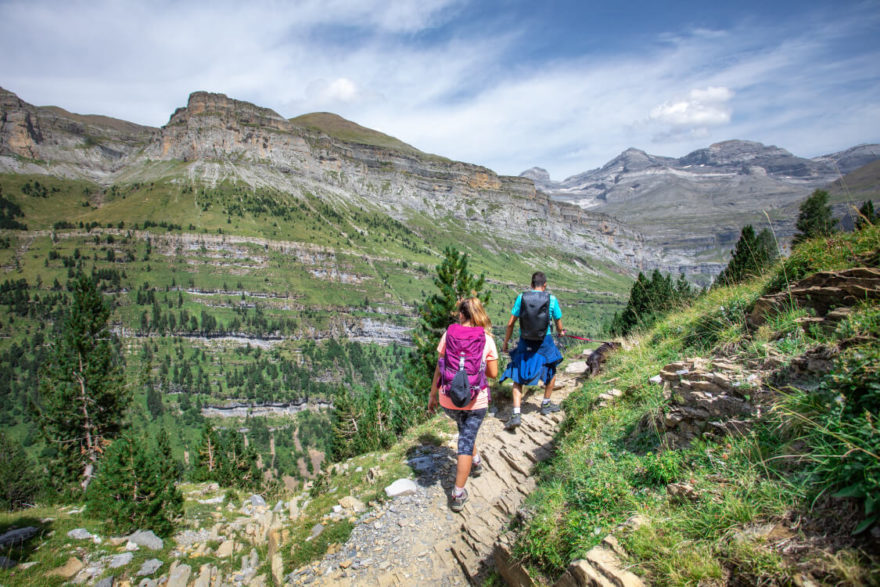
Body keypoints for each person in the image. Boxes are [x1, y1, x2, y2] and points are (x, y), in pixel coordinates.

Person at [428, 297, 499, 512]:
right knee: (465, 442)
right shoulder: (486, 339)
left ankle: (475, 461)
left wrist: (432, 395)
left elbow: (440, 367)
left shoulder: (448, 335)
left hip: (448, 399)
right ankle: (458, 494)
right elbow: (493, 374)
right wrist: (478, 367)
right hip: (475, 399)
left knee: (465, 429)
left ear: (461, 315)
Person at [500, 271, 565, 430]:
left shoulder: (522, 298)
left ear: (531, 284)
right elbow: (558, 321)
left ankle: (516, 413)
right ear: (545, 285)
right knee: (551, 371)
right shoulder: (552, 299)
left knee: (517, 375)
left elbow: (510, 323)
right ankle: (545, 404)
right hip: (545, 341)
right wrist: (561, 331)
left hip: (525, 341)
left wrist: (506, 342)